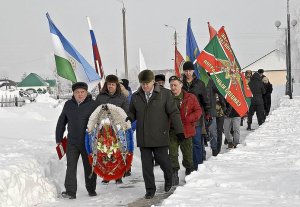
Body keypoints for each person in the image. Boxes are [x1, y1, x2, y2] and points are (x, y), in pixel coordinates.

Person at [128, 69, 184, 199]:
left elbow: (174, 113)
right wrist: (129, 118)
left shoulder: (165, 94)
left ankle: (169, 177)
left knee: (164, 161)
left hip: (160, 134)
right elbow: (132, 112)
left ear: (153, 81)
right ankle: (150, 189)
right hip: (144, 137)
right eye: (143, 84)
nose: (145, 86)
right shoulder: (136, 96)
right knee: (146, 166)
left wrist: (179, 130)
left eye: (147, 83)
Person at [55, 82, 97, 199]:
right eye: (77, 92)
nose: (80, 94)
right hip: (72, 141)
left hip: (87, 142)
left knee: (89, 166)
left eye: (82, 92)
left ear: (86, 92)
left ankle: (91, 189)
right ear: (73, 93)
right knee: (71, 166)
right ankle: (70, 191)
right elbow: (61, 121)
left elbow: (99, 123)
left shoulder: (93, 104)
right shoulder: (68, 104)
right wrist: (59, 138)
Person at [96, 74, 129, 184]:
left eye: (113, 84)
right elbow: (95, 112)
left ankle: (118, 175)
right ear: (106, 85)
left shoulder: (122, 98)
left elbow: (126, 113)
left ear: (116, 86)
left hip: (117, 129)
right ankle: (106, 175)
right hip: (104, 129)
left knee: (117, 152)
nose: (110, 86)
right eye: (109, 84)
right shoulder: (100, 97)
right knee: (105, 151)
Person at [168, 75, 202, 186]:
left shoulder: (190, 97)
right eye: (171, 85)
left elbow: (198, 111)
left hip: (186, 130)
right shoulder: (167, 98)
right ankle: (174, 173)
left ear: (181, 85)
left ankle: (189, 169)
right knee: (172, 153)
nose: (173, 88)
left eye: (175, 85)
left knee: (187, 154)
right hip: (172, 131)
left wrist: (189, 119)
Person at [182, 61, 211, 171]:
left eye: (189, 70)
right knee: (186, 145)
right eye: (186, 71)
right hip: (184, 119)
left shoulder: (200, 84)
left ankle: (198, 168)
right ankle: (189, 167)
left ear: (193, 71)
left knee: (197, 144)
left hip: (197, 118)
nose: (188, 73)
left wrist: (208, 114)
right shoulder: (181, 84)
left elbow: (205, 101)